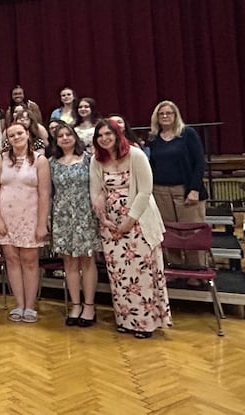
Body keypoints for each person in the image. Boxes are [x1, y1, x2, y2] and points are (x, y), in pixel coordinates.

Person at [90, 119, 171, 338]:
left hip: (138, 222)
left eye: (108, 134)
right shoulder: (97, 159)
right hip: (112, 226)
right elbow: (96, 191)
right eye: (100, 136)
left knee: (142, 275)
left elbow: (145, 190)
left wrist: (130, 220)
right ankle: (126, 320)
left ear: (117, 135)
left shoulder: (135, 155)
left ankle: (146, 324)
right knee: (120, 277)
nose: (104, 139)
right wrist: (103, 217)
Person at [0, 123, 50, 323]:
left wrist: (42, 223)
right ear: (7, 139)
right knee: (12, 261)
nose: (16, 137)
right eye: (12, 135)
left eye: (19, 133)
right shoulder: (0, 160)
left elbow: (44, 193)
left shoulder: (40, 161)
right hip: (6, 217)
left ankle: (30, 307)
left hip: (31, 217)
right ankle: (19, 304)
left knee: (30, 262)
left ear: (27, 135)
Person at [49, 122, 101, 327]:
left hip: (85, 215)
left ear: (75, 137)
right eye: (60, 135)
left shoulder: (89, 160)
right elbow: (48, 192)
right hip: (62, 216)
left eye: (68, 134)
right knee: (69, 262)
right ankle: (75, 304)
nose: (64, 138)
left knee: (87, 261)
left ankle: (89, 305)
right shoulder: (52, 162)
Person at [148, 100, 208, 275]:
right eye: (161, 114)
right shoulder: (153, 138)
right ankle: (174, 268)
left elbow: (199, 162)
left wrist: (194, 189)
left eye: (169, 113)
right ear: (156, 118)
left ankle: (196, 271)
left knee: (192, 232)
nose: (165, 116)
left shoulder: (187, 134)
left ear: (175, 116)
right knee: (169, 231)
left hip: (186, 190)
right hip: (160, 191)